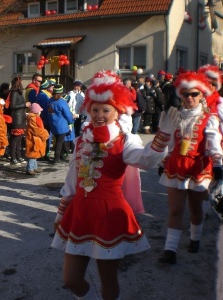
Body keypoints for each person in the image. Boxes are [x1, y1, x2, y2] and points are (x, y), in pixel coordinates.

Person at [51, 71, 181, 300]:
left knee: (108, 279)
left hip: (109, 215)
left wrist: (163, 135)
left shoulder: (124, 139)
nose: (99, 115)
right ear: (88, 110)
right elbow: (72, 180)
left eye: (106, 110)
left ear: (116, 111)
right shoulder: (82, 140)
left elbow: (146, 160)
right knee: (70, 279)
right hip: (80, 212)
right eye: (95, 109)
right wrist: (62, 212)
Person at [158, 71, 223, 265]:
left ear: (202, 94)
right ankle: (170, 250)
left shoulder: (210, 118)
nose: (190, 98)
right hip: (176, 165)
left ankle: (195, 239)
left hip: (198, 168)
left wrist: (218, 164)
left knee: (196, 211)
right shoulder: (175, 115)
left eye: (195, 94)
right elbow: (169, 142)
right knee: (175, 210)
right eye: (186, 94)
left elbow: (213, 141)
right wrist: (163, 161)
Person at [47, 84, 74, 164]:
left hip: (52, 124)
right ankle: (57, 158)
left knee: (59, 140)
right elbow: (67, 114)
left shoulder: (50, 100)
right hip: (61, 125)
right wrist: (70, 121)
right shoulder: (62, 102)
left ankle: (61, 155)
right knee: (60, 142)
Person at [8, 76, 30, 165]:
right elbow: (12, 106)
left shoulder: (19, 93)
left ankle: (18, 155)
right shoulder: (14, 93)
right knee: (15, 139)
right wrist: (24, 105)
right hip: (16, 119)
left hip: (21, 118)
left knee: (19, 138)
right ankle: (13, 157)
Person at [25, 103, 49, 175]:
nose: (40, 112)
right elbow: (37, 130)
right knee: (32, 154)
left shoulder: (35, 118)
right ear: (36, 111)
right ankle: (30, 168)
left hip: (36, 139)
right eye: (39, 111)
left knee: (36, 154)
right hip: (33, 139)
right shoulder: (34, 119)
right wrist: (45, 134)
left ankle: (34, 167)